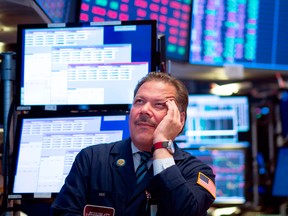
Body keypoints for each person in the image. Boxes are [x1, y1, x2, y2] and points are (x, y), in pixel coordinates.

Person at [50, 72, 216, 216]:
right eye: (139, 101)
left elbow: (184, 212)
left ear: (178, 118)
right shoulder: (92, 159)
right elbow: (63, 212)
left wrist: (161, 146)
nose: (144, 110)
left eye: (158, 104)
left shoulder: (197, 172)